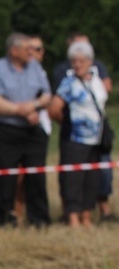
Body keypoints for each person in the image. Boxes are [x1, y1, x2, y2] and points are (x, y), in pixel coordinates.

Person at [0, 33, 52, 227]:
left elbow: (47, 95)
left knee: (36, 175)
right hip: (5, 130)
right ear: (14, 51)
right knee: (5, 178)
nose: (31, 53)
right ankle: (6, 219)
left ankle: (39, 219)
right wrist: (21, 110)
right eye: (27, 49)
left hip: (32, 130)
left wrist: (35, 105)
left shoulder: (35, 68)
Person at [53, 33, 115, 223]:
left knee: (92, 177)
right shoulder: (68, 82)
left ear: (90, 62)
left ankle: (87, 215)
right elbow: (54, 109)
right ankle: (73, 217)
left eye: (81, 61)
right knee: (73, 178)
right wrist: (69, 122)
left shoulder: (96, 80)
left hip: (96, 139)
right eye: (74, 61)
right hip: (76, 139)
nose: (78, 64)